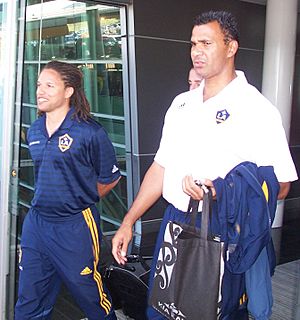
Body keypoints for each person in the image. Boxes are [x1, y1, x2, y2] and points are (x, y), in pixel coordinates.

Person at [112, 10, 298, 319]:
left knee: (213, 312)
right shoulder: (181, 104)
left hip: (222, 229)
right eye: (193, 44)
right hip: (175, 223)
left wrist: (221, 189)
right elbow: (160, 167)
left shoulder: (256, 109)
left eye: (207, 43)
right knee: (162, 309)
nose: (197, 51)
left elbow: (281, 186)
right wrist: (129, 221)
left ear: (231, 47)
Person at [15, 60, 121, 320]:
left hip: (74, 227)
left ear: (68, 91)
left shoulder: (90, 132)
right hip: (37, 225)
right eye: (39, 85)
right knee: (29, 299)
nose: (40, 90)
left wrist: (79, 197)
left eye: (49, 85)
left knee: (90, 297)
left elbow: (110, 178)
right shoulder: (35, 130)